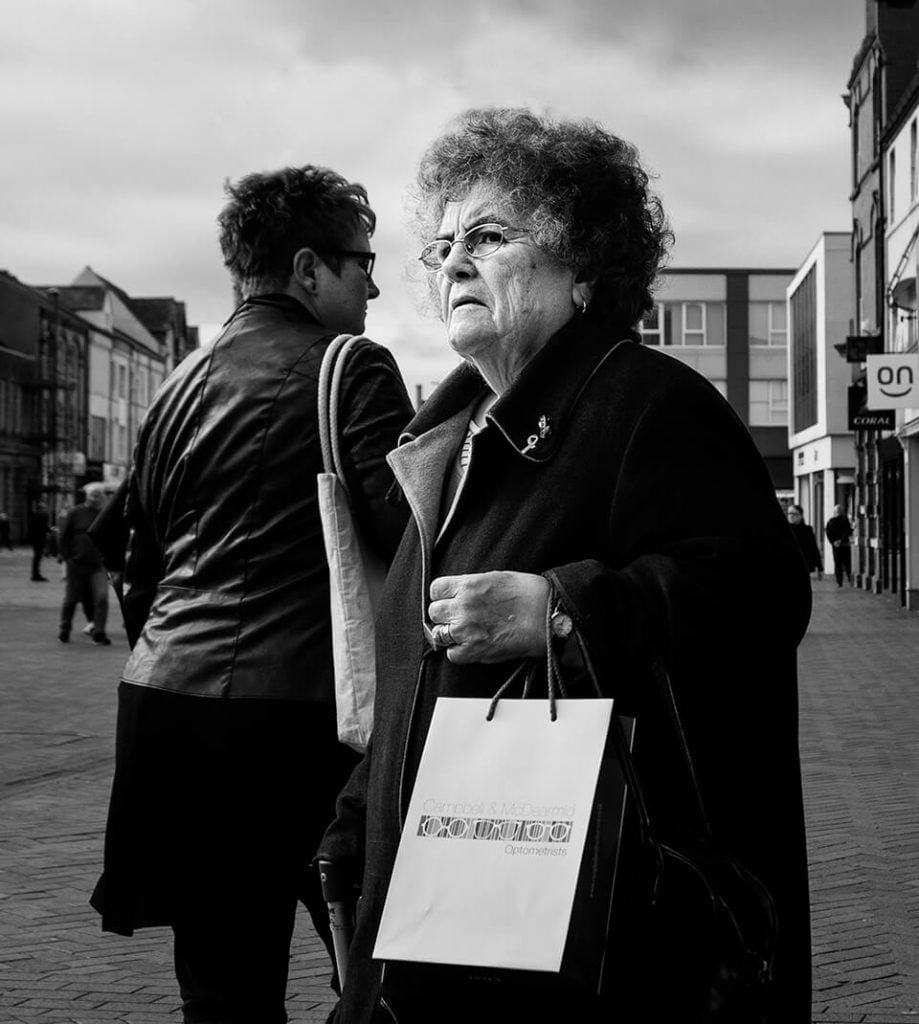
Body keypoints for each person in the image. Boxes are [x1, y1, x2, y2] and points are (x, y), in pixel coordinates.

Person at [318, 108, 813, 1024]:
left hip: (590, 944)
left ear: (582, 265)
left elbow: (759, 592)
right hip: (441, 911)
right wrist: (360, 818)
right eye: (438, 246)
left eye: (489, 236)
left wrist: (561, 608)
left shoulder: (646, 403)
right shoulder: (442, 441)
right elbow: (420, 673)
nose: (451, 262)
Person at [89, 164, 414, 1024]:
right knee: (385, 957)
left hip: (165, 708)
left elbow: (138, 557)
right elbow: (410, 536)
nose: (375, 281)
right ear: (309, 269)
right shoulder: (350, 367)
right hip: (299, 715)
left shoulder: (175, 385)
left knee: (222, 986)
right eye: (362, 260)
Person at [57, 483, 110, 644]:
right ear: (88, 497)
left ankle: (99, 632)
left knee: (101, 598)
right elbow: (63, 536)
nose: (96, 499)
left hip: (98, 564)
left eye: (99, 497)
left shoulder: (103, 514)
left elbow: (111, 538)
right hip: (77, 563)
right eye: (93, 496)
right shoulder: (75, 513)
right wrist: (68, 558)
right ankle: (64, 630)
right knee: (71, 599)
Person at [787, 504, 823, 580]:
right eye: (789, 513)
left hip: (804, 565)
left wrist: (819, 568)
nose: (791, 516)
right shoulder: (785, 531)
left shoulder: (807, 530)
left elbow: (814, 548)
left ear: (800, 515)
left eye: (794, 514)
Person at [825, 503, 854, 586]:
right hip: (844, 544)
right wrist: (841, 540)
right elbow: (847, 531)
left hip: (836, 546)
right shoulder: (845, 520)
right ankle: (849, 579)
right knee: (847, 563)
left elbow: (828, 533)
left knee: (838, 564)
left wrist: (833, 542)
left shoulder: (830, 521)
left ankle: (839, 581)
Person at [28, 502, 50, 581]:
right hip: (39, 540)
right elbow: (42, 528)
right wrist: (49, 530)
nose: (46, 510)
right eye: (44, 509)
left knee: (37, 557)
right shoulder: (41, 517)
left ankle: (35, 574)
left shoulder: (35, 516)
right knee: (37, 557)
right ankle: (36, 575)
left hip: (36, 540)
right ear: (41, 509)